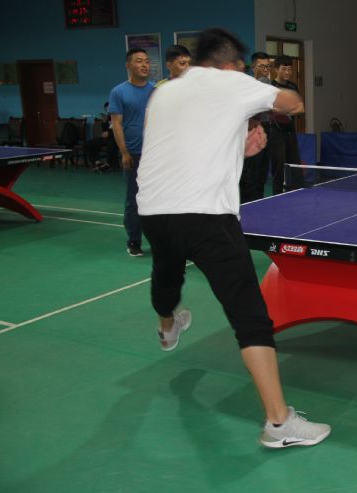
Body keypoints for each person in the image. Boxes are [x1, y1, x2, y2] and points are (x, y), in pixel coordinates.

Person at [135, 28, 330, 448]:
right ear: (230, 64)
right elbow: (293, 104)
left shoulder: (165, 92)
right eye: (241, 67)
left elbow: (177, 149)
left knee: (167, 273)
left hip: (153, 211)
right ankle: (279, 424)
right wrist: (264, 89)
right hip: (205, 217)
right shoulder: (231, 82)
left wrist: (238, 148)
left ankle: (168, 326)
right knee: (250, 317)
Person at [109, 48, 155, 257]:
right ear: (128, 65)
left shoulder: (156, 90)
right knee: (134, 200)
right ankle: (134, 240)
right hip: (134, 154)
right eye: (139, 61)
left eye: (146, 61)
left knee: (158, 200)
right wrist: (124, 152)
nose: (144, 65)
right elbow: (117, 124)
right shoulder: (118, 92)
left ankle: (159, 240)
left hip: (155, 154)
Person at [239, 51, 273, 203]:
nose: (265, 70)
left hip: (266, 128)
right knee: (250, 176)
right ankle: (247, 207)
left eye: (268, 66)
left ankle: (259, 205)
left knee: (262, 174)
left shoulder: (267, 84)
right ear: (253, 68)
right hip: (251, 130)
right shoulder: (246, 86)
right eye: (262, 66)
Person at [269, 55, 304, 194]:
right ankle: (277, 195)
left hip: (290, 131)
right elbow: (271, 109)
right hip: (276, 131)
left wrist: (284, 110)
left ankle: (296, 193)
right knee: (278, 166)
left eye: (290, 69)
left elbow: (301, 109)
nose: (288, 72)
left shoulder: (292, 86)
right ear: (276, 69)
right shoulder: (271, 87)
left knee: (294, 165)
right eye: (284, 69)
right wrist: (288, 109)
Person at [84, 102, 118, 171]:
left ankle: (108, 165)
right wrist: (104, 122)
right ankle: (97, 162)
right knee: (88, 144)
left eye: (109, 109)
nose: (108, 111)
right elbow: (104, 130)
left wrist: (109, 133)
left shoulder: (119, 116)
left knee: (111, 144)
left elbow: (121, 129)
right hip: (106, 138)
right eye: (106, 109)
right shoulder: (108, 117)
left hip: (116, 138)